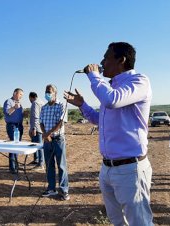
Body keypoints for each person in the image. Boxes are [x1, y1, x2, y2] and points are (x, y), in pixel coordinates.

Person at [64, 42, 153, 225]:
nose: (102, 61)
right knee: (116, 220)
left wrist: (93, 76)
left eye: (106, 57)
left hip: (130, 169)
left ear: (121, 60)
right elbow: (99, 119)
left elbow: (112, 100)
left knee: (139, 222)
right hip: (107, 169)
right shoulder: (111, 87)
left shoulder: (138, 81)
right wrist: (82, 105)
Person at [40, 84, 69, 201]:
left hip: (58, 139)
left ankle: (64, 190)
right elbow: (41, 122)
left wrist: (49, 134)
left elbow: (61, 122)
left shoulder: (61, 105)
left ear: (55, 93)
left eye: (49, 91)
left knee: (61, 165)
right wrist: (44, 134)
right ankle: (51, 188)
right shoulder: (44, 107)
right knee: (49, 165)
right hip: (47, 141)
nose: (47, 93)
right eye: (46, 91)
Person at [3, 88, 24, 173]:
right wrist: (14, 107)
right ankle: (12, 167)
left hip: (19, 126)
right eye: (20, 94)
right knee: (13, 145)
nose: (21, 96)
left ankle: (16, 165)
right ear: (15, 93)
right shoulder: (8, 101)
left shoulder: (19, 103)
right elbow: (7, 112)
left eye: (22, 95)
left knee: (17, 146)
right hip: (12, 126)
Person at [28, 92, 44, 170]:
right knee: (35, 144)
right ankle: (36, 160)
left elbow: (36, 117)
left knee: (38, 145)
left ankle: (40, 163)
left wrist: (34, 128)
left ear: (31, 97)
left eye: (29, 99)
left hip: (37, 128)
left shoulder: (35, 103)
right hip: (41, 127)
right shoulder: (42, 102)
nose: (29, 100)